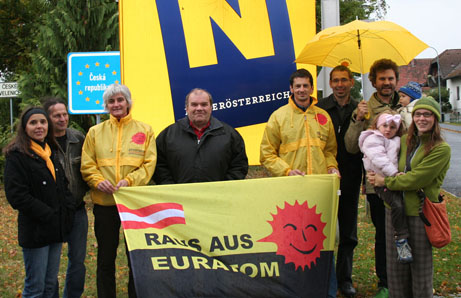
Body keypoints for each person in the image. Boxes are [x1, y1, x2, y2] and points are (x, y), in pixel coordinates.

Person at [260, 68, 339, 298]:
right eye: (298, 86)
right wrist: (285, 171)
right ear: (291, 89)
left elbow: (330, 151)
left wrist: (332, 166)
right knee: (293, 244)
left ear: (312, 89)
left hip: (319, 191)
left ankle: (328, 291)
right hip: (291, 191)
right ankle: (293, 290)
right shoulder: (279, 116)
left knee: (324, 243)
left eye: (306, 85)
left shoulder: (323, 117)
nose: (302, 90)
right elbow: (266, 154)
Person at [367, 97, 450, 297]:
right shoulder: (405, 140)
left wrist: (384, 182)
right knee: (396, 271)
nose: (422, 118)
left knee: (420, 271)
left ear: (435, 119)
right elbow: (383, 152)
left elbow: (416, 179)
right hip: (394, 212)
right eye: (418, 115)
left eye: (427, 115)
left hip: (419, 213)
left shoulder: (441, 149)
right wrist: (372, 170)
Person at [81, 84, 157, 298]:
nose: (116, 104)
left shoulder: (145, 130)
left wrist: (129, 181)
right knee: (105, 257)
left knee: (135, 256)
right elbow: (87, 164)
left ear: (128, 103)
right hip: (105, 205)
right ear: (106, 105)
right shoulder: (95, 132)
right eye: (111, 101)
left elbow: (149, 164)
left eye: (120, 100)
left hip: (134, 205)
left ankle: (136, 294)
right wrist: (97, 181)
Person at [344, 58, 401, 298]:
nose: (387, 83)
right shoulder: (364, 109)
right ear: (373, 81)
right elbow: (350, 146)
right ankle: (385, 283)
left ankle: (407, 280)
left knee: (409, 230)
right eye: (382, 79)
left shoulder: (408, 104)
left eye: (390, 78)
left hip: (409, 179)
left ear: (396, 80)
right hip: (377, 183)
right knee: (384, 234)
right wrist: (358, 119)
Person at [4, 107, 75, 297]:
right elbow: (16, 195)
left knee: (51, 284)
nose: (39, 126)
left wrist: (66, 211)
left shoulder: (49, 151)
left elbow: (62, 185)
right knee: (35, 287)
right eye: (33, 122)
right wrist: (47, 214)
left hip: (55, 229)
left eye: (43, 122)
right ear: (24, 127)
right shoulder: (17, 155)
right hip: (36, 231)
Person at [317, 65, 363, 298]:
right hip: (323, 177)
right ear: (331, 82)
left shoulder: (360, 109)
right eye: (335, 80)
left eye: (344, 80)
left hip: (351, 177)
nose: (340, 85)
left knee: (348, 232)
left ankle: (345, 279)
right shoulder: (320, 109)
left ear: (351, 83)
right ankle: (321, 278)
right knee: (320, 231)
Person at [42, 98, 89, 298]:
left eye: (65, 114)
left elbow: (88, 168)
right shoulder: (40, 142)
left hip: (77, 210)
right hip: (50, 213)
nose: (62, 119)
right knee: (50, 263)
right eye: (57, 116)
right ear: (48, 118)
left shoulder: (78, 138)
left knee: (77, 261)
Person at [153, 88, 248, 184]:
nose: (199, 108)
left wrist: (224, 187)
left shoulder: (229, 134)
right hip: (178, 197)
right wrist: (171, 188)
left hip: (218, 196)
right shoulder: (168, 135)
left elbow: (239, 165)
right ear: (187, 108)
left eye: (204, 104)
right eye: (194, 104)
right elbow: (159, 165)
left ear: (211, 107)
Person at [358, 111, 412, 264]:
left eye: (393, 127)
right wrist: (395, 174)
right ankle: (401, 238)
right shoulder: (373, 139)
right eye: (385, 126)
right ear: (377, 126)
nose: (388, 130)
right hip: (381, 182)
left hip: (393, 180)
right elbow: (380, 160)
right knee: (397, 205)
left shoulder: (395, 140)